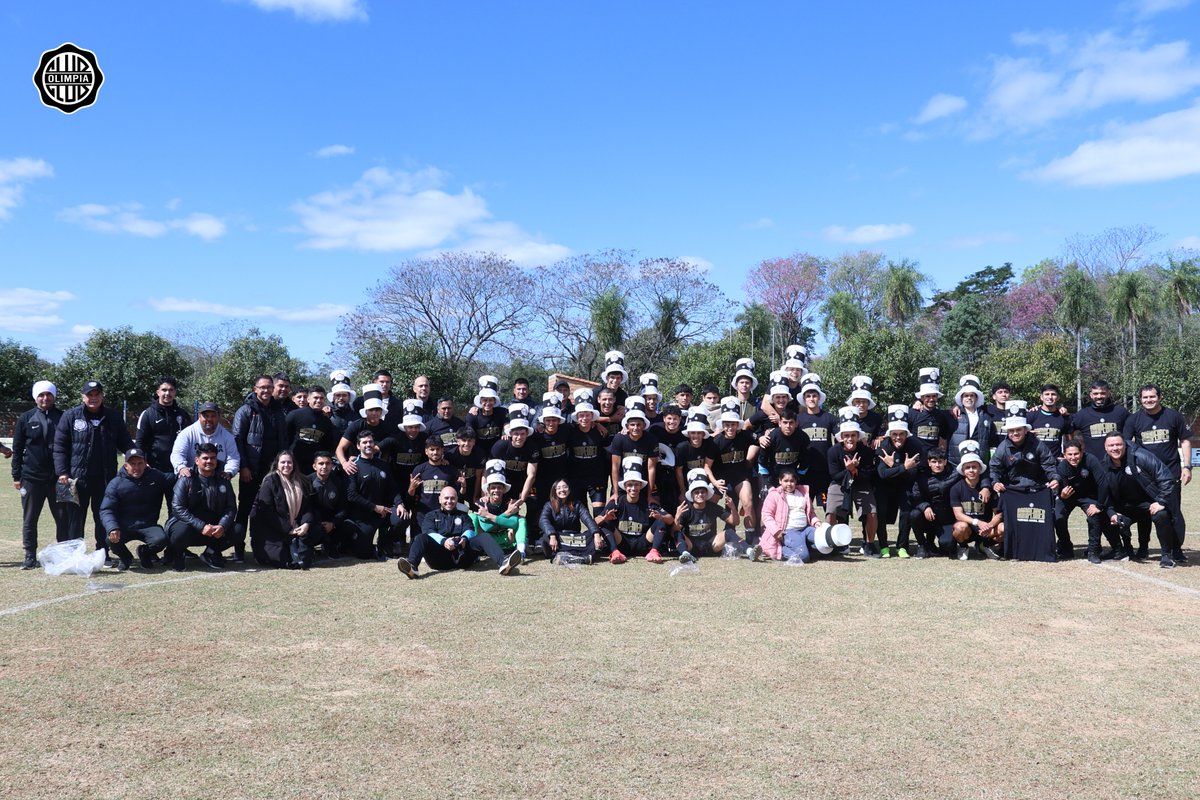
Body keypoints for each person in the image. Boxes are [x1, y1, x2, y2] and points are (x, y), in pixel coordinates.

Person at [54, 379, 135, 557]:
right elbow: (60, 446)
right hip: (76, 480)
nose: (93, 398)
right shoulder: (70, 416)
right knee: (75, 519)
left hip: (105, 479)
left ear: (102, 396)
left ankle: (103, 553)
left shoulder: (113, 417)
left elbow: (126, 443)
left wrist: (137, 458)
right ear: (83, 397)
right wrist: (62, 472)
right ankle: (75, 555)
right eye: (89, 394)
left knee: (103, 516)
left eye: (97, 394)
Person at [1122, 384, 1190, 562]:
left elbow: (1184, 441)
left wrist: (1187, 466)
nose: (1149, 400)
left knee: (1172, 513)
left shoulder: (1173, 416)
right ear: (1140, 399)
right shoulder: (1133, 419)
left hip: (1170, 474)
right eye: (1145, 397)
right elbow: (1126, 444)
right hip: (1145, 477)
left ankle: (1176, 550)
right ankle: (1143, 548)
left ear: (1160, 397)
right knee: (1146, 513)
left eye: (1152, 396)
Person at [396, 486, 522, 579]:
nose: (449, 501)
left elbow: (470, 530)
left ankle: (503, 562)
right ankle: (412, 567)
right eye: (446, 498)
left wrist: (464, 539)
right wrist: (444, 541)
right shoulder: (430, 516)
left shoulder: (463, 515)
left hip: (463, 556)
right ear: (439, 499)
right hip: (439, 559)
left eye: (452, 498)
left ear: (457, 499)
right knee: (421, 537)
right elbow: (428, 532)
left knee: (483, 536)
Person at [1098, 432, 1179, 568]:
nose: (1115, 448)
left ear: (1125, 444)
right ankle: (1123, 550)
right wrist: (1112, 513)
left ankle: (1166, 555)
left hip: (1149, 503)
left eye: (1118, 444)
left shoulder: (1141, 456)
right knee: (1102, 514)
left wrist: (1161, 501)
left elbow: (1166, 478)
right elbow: (1104, 495)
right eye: (1111, 445)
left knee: (1161, 515)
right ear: (1105, 447)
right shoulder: (1103, 466)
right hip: (1124, 506)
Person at [231, 374, 288, 561]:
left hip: (272, 472)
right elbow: (238, 440)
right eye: (262, 387)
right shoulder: (245, 410)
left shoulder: (278, 411)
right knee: (245, 509)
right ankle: (238, 549)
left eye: (269, 387)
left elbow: (283, 441)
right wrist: (244, 467)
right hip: (251, 470)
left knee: (269, 509)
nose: (266, 390)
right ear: (255, 389)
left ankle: (265, 548)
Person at [12, 380, 67, 569]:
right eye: (41, 395)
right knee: (30, 519)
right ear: (36, 397)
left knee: (63, 518)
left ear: (54, 396)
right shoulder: (26, 418)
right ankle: (30, 556)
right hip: (31, 478)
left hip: (59, 479)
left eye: (49, 394)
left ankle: (63, 555)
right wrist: (16, 476)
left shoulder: (64, 417)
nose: (45, 398)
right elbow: (17, 449)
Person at [990, 412, 1059, 562]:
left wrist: (1054, 478)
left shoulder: (1038, 444)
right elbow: (994, 468)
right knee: (1013, 522)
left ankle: (1040, 550)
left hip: (1037, 489)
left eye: (1018, 430)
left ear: (1025, 430)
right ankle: (1010, 549)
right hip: (1013, 490)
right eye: (1011, 431)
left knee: (1036, 520)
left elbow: (1049, 464)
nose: (1015, 433)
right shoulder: (1003, 447)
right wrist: (995, 482)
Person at [164, 442, 236, 571]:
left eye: (213, 458)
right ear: (197, 460)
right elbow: (178, 508)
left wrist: (222, 526)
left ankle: (210, 553)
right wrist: (201, 526)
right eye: (205, 458)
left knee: (238, 530)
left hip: (213, 528)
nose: (209, 461)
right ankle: (178, 555)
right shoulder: (186, 478)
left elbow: (231, 507)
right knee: (180, 532)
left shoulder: (223, 479)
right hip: (190, 526)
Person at [99, 447, 171, 571]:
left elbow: (172, 478)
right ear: (126, 465)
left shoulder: (156, 476)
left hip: (148, 525)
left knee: (161, 540)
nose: (136, 467)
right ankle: (125, 557)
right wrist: (113, 527)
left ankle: (145, 552)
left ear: (145, 463)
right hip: (124, 526)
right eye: (132, 464)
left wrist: (185, 471)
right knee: (111, 539)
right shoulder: (116, 483)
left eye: (140, 463)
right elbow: (106, 509)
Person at [250, 450, 324, 569]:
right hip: (272, 529)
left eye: (289, 462)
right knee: (284, 558)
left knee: (317, 532)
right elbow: (267, 512)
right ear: (277, 464)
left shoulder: (302, 481)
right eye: (283, 462)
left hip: (296, 526)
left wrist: (306, 524)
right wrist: (289, 529)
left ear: (294, 464)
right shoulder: (270, 482)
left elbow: (307, 507)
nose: (286, 465)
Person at [345, 430, 406, 560]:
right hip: (364, 514)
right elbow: (352, 496)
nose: (368, 445)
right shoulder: (353, 466)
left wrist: (399, 503)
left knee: (402, 517)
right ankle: (370, 547)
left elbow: (393, 488)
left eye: (371, 442)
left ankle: (385, 543)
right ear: (358, 446)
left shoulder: (383, 465)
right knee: (363, 554)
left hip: (385, 511)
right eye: (364, 442)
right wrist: (374, 507)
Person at [1054, 440, 1116, 564]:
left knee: (1094, 516)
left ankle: (1093, 551)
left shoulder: (1091, 460)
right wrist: (1062, 495)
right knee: (1058, 516)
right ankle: (1066, 548)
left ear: (1082, 452)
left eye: (1076, 454)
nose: (1073, 457)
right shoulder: (1062, 466)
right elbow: (1062, 490)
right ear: (1064, 455)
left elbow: (1103, 484)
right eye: (1069, 454)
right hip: (1070, 496)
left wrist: (1098, 506)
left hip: (1088, 496)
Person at [825, 419, 878, 556]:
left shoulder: (866, 452)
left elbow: (868, 475)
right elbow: (835, 476)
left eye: (853, 435)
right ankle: (832, 544)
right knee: (830, 512)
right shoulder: (833, 451)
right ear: (841, 437)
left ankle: (869, 544)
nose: (850, 439)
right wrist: (848, 470)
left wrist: (854, 470)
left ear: (858, 436)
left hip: (861, 483)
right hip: (840, 484)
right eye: (846, 435)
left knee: (872, 512)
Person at [597, 469, 672, 563]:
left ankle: (654, 552)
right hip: (621, 543)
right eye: (629, 485)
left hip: (643, 543)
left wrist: (661, 517)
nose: (633, 488)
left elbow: (670, 519)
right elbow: (596, 520)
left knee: (661, 521)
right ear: (625, 487)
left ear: (640, 486)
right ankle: (615, 553)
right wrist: (604, 518)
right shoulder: (617, 502)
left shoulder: (648, 503)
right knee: (605, 523)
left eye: (636, 484)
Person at [875, 408, 921, 558]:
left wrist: (894, 466)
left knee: (906, 511)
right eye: (895, 434)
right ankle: (883, 546)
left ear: (907, 434)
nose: (898, 437)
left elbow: (912, 475)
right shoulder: (883, 446)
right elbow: (882, 474)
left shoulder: (914, 446)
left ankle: (902, 546)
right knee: (881, 512)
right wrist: (903, 467)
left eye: (901, 434)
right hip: (884, 486)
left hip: (903, 484)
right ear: (890, 434)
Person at [674, 477, 743, 562]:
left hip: (711, 545)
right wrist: (677, 517)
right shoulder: (686, 509)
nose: (700, 494)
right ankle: (685, 554)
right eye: (696, 492)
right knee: (677, 533)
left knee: (730, 532)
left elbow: (735, 522)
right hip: (691, 547)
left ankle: (749, 551)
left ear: (707, 494)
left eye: (703, 492)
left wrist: (733, 508)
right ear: (692, 495)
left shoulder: (713, 507)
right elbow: (674, 532)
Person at [949, 450, 1003, 560]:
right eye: (967, 467)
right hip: (968, 528)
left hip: (986, 529)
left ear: (980, 469)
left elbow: (999, 514)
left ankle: (984, 545)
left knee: (1003, 528)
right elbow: (958, 515)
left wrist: (990, 525)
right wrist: (978, 522)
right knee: (959, 527)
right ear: (963, 470)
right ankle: (963, 547)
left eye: (974, 467)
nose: (971, 470)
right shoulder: (956, 488)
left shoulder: (988, 490)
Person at [759, 468, 822, 563]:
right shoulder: (774, 495)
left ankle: (802, 546)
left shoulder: (803, 493)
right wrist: (776, 531)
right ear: (780, 481)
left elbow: (811, 513)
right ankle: (779, 549)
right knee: (803, 557)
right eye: (786, 481)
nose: (789, 484)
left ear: (796, 481)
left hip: (806, 528)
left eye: (792, 481)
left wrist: (816, 522)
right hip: (789, 531)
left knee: (823, 543)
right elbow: (766, 515)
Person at [134, 376, 192, 477]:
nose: (167, 393)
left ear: (175, 392)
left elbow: (191, 440)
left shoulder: (183, 415)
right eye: (164, 390)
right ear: (158, 392)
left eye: (171, 390)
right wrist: (143, 462)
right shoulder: (148, 414)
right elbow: (140, 442)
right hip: (153, 469)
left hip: (178, 470)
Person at [908, 447, 958, 559]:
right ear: (929, 463)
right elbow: (916, 497)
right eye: (934, 462)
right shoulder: (922, 476)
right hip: (929, 517)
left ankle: (938, 543)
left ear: (945, 461)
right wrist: (925, 507)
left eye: (940, 461)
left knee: (947, 545)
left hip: (946, 518)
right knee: (914, 515)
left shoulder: (955, 474)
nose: (937, 465)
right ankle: (922, 545)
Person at [170, 402, 240, 480]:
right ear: (199, 416)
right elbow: (177, 454)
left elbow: (233, 458)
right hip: (191, 478)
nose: (209, 419)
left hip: (218, 478)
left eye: (213, 416)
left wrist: (229, 472)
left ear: (218, 417)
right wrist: (181, 468)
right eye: (206, 416)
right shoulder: (186, 433)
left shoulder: (227, 436)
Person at [539, 479, 601, 563]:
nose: (562, 490)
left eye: (565, 487)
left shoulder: (577, 504)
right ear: (554, 491)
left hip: (574, 538)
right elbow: (543, 520)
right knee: (545, 537)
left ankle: (565, 556)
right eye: (559, 488)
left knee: (591, 535)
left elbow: (588, 519)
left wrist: (596, 534)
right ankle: (579, 556)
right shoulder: (549, 505)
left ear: (569, 489)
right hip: (558, 537)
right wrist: (552, 535)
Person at [1070, 380, 1129, 462]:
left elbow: (1134, 429)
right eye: (1096, 393)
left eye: (1103, 393)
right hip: (1092, 464)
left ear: (1108, 393)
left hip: (1118, 462)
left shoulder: (1120, 412)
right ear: (1091, 395)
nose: (1099, 396)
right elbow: (1066, 429)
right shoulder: (1082, 415)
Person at [308, 451, 352, 560]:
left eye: (328, 463)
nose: (324, 466)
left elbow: (343, 507)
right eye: (321, 463)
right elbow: (305, 508)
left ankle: (333, 545)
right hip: (313, 522)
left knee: (349, 526)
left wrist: (333, 523)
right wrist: (317, 523)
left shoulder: (338, 482)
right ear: (314, 466)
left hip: (332, 522)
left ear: (332, 465)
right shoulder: (307, 482)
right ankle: (310, 547)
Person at [285, 385, 335, 475]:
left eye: (321, 398)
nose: (318, 400)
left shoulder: (326, 421)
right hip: (294, 464)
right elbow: (284, 437)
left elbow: (328, 445)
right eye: (315, 398)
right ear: (308, 399)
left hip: (314, 468)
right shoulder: (295, 415)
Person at [1027, 384, 1070, 454]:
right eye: (1047, 394)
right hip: (1035, 458)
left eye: (1053, 394)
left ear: (1058, 397)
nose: (1050, 397)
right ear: (1041, 397)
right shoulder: (1031, 414)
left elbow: (1070, 441)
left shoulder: (1063, 416)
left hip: (1055, 459)